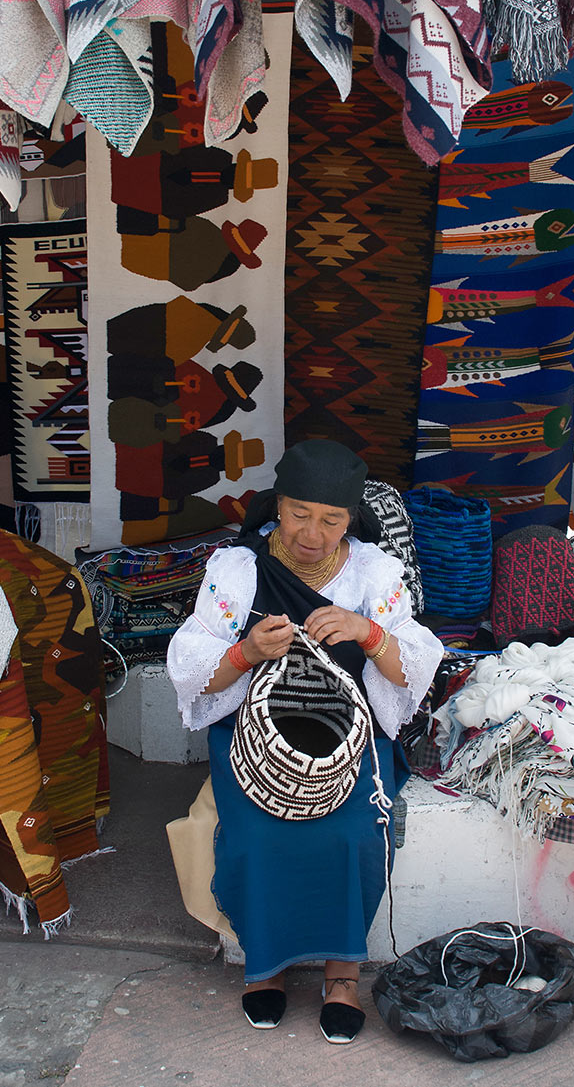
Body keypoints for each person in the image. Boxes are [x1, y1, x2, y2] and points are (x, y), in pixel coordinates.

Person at [167, 439, 443, 1043]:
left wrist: (368, 632)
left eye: (331, 520)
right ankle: (265, 966)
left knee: (350, 835)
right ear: (278, 506)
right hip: (254, 739)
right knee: (256, 833)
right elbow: (189, 666)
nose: (312, 534)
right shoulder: (235, 572)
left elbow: (414, 668)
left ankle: (342, 973)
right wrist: (245, 652)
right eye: (298, 514)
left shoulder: (375, 573)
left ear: (350, 521)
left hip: (350, 738)